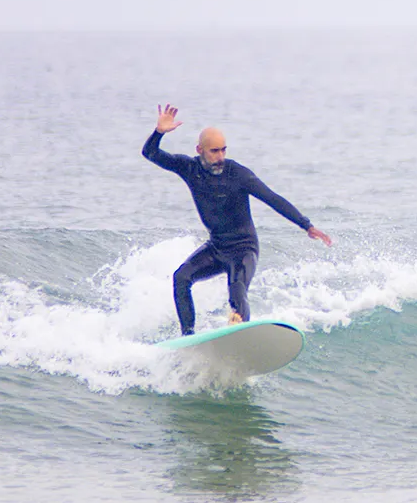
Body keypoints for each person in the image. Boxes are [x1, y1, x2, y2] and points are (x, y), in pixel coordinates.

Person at [142, 103, 332, 335]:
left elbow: (271, 198)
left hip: (244, 249)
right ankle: (188, 337)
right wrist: (159, 133)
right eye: (214, 151)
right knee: (181, 277)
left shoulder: (238, 174)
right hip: (217, 247)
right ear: (200, 149)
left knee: (237, 289)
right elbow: (150, 153)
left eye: (224, 150)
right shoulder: (189, 168)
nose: (221, 156)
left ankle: (239, 333)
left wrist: (306, 225)